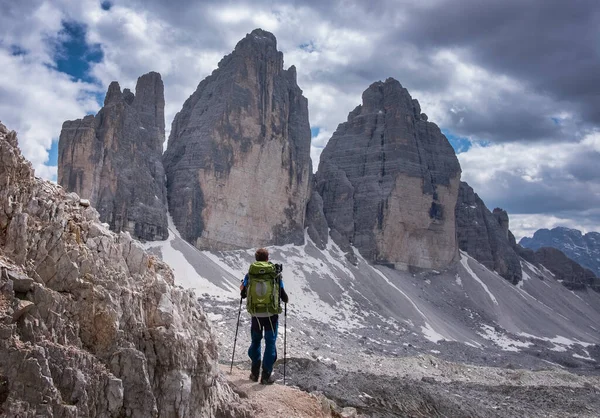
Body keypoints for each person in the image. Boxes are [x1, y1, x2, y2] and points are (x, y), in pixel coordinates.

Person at [240, 248, 288, 384]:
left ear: (256, 259)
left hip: (255, 314)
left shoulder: (250, 274)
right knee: (270, 343)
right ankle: (266, 376)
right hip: (271, 315)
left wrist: (243, 289)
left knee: (255, 341)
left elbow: (243, 293)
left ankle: (254, 372)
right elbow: (284, 296)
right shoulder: (274, 273)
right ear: (268, 259)